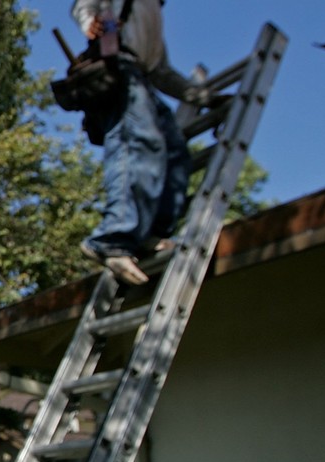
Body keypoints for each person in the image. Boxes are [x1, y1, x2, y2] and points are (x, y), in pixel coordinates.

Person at [72, 0, 212, 285]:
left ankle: (151, 233)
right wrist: (89, 22)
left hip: (142, 78)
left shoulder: (153, 13)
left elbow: (162, 72)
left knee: (175, 154)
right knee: (136, 143)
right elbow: (85, 5)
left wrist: (205, 98)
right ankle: (113, 238)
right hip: (119, 70)